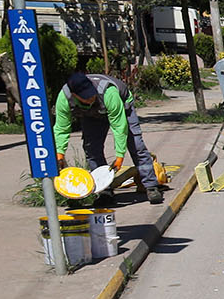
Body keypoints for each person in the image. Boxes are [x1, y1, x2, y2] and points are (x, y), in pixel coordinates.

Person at [53, 71, 161, 204]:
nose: (91, 98)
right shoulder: (64, 98)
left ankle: (151, 186)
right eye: (86, 97)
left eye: (91, 94)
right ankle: (104, 190)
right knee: (91, 148)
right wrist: (60, 154)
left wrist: (120, 156)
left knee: (136, 144)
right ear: (74, 95)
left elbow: (119, 127)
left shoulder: (108, 93)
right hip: (91, 115)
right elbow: (61, 128)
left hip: (122, 107)